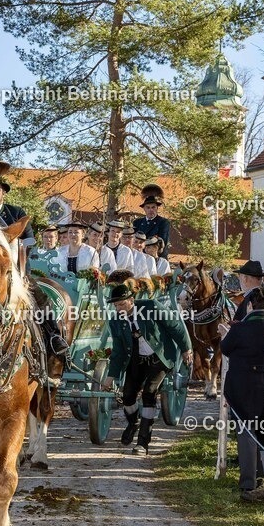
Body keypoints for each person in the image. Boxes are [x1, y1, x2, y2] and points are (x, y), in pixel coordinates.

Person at [101, 284, 192, 455]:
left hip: (160, 357)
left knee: (149, 393)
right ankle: (133, 422)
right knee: (127, 395)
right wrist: (110, 377)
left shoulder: (152, 307)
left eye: (122, 304)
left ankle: (143, 442)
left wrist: (186, 349)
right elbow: (118, 351)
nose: (119, 309)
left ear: (131, 300)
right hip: (136, 359)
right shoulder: (115, 321)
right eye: (116, 305)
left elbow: (175, 326)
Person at [218, 287, 264, 501]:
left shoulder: (239, 329)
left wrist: (226, 335)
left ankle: (248, 482)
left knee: (246, 433)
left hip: (242, 386)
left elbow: (225, 349)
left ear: (250, 306)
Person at [131, 187, 171, 258]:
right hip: (139, 256)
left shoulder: (163, 222)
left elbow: (161, 243)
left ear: (157, 208)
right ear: (144, 209)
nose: (151, 210)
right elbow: (134, 241)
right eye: (148, 207)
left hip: (157, 257)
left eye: (153, 207)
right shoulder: (137, 223)